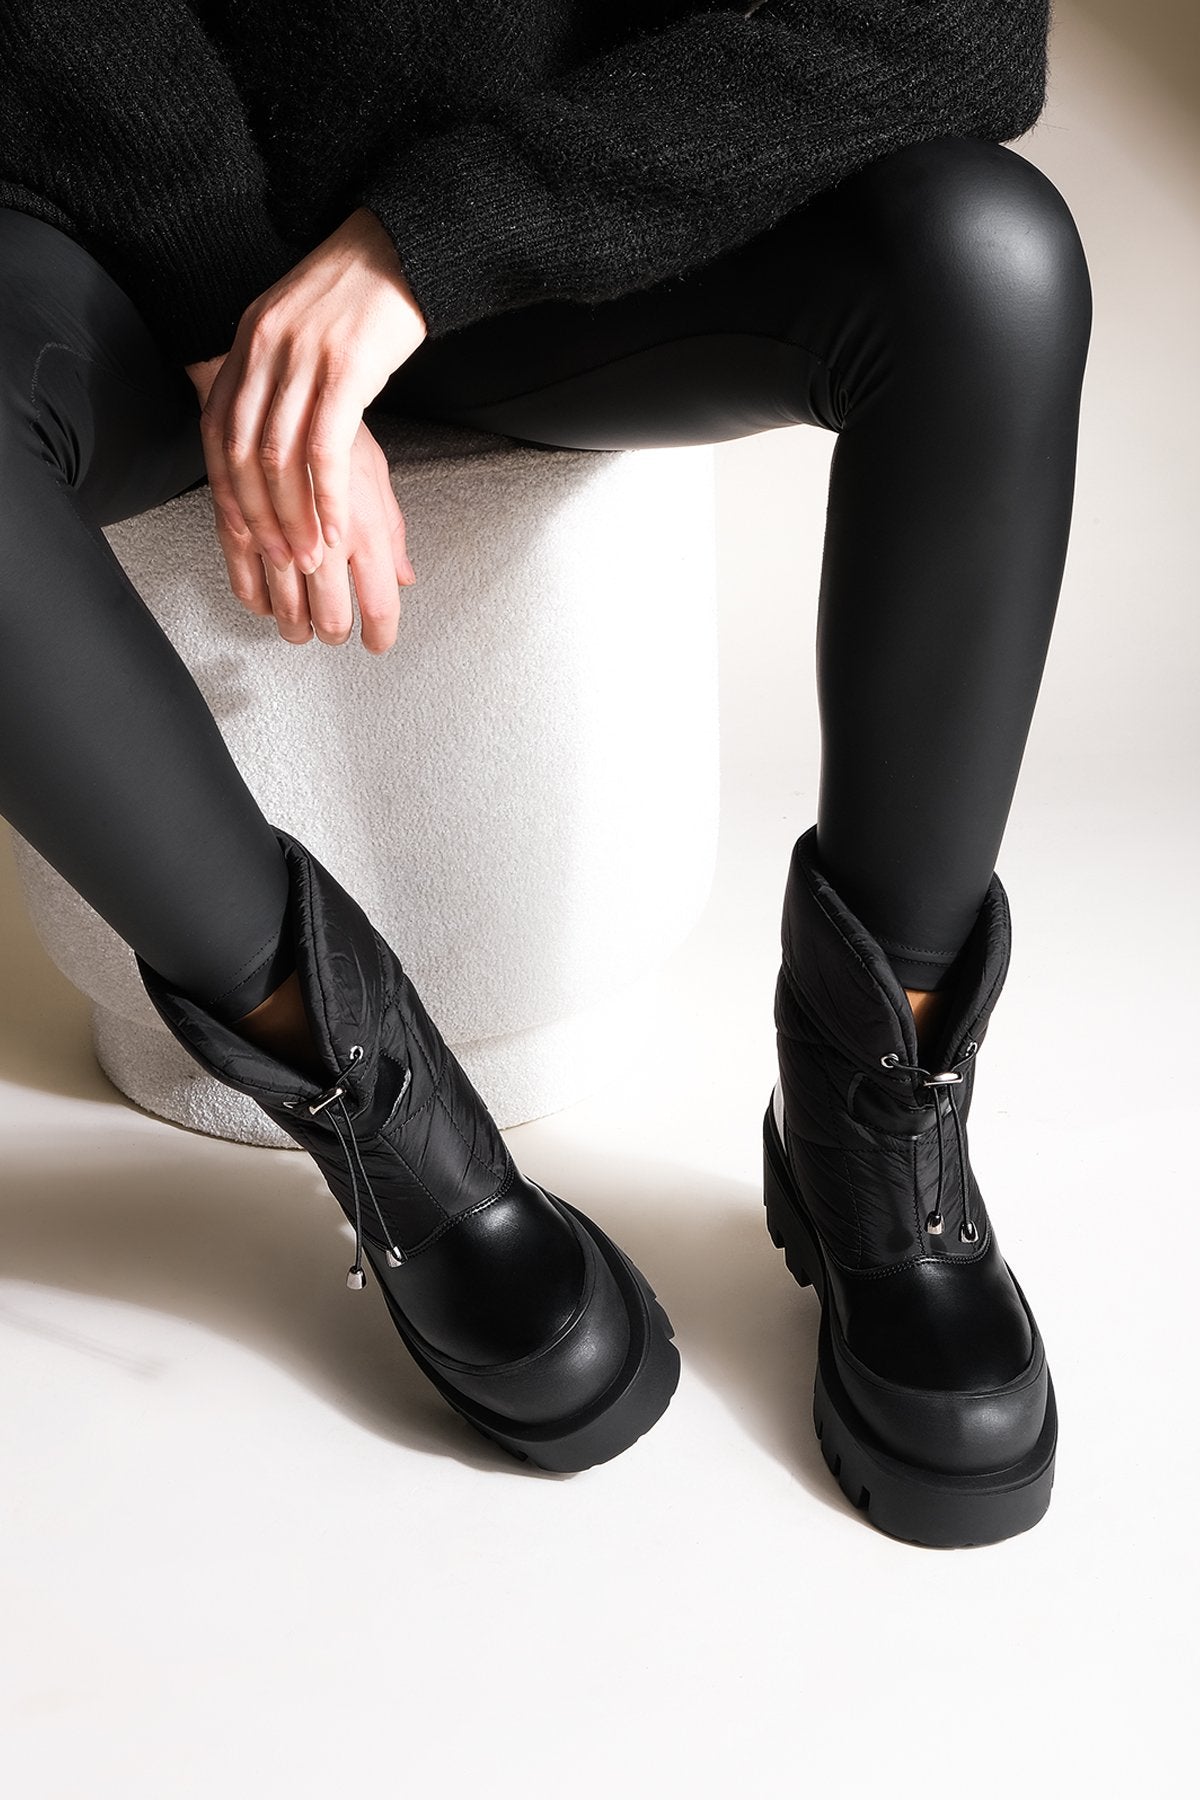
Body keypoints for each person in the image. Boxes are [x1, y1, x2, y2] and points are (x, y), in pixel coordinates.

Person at [0, 1, 1090, 1544]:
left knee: (991, 259)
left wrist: (421, 250)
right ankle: (385, 1120)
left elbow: (959, 32)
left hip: (548, 234)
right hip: (115, 240)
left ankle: (878, 1110)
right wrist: (215, 287)